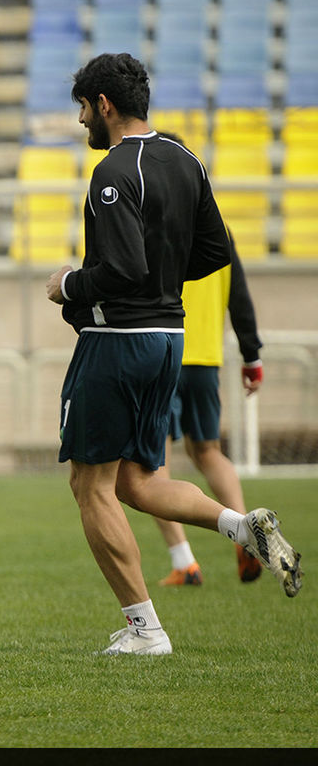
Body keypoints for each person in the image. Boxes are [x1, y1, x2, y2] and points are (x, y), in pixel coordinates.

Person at [45, 53, 302, 656]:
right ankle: (243, 526)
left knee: (90, 486)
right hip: (170, 339)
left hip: (118, 343)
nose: (83, 120)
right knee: (137, 480)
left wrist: (70, 285)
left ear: (103, 105)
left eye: (83, 108)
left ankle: (146, 630)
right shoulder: (186, 159)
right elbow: (217, 250)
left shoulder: (113, 170)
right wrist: (161, 280)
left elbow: (123, 267)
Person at [144, 133, 264, 586]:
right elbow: (241, 298)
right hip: (207, 357)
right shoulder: (218, 228)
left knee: (153, 463)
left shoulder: (151, 220)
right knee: (209, 451)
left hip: (162, 351)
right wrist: (251, 355)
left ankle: (183, 561)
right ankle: (245, 535)